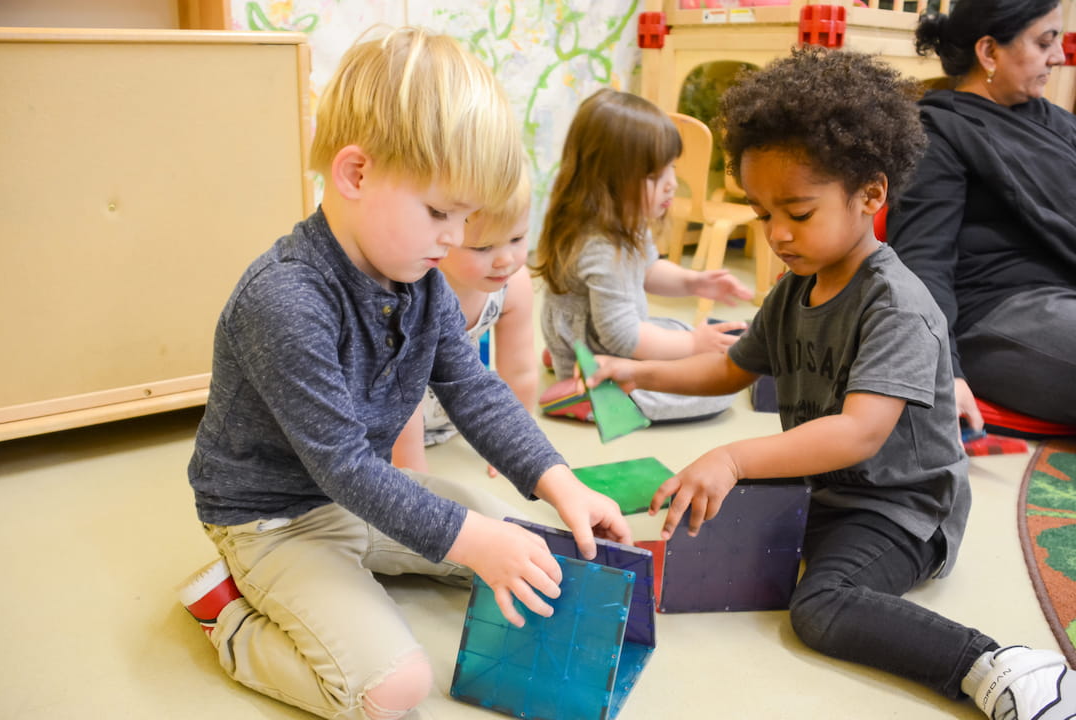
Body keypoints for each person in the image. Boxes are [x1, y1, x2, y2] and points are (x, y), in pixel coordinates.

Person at [588, 47, 1075, 720]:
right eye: (763, 215)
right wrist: (640, 371)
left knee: (819, 608)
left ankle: (997, 665)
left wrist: (732, 456)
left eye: (798, 211)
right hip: (825, 491)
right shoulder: (797, 289)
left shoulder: (896, 303)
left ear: (871, 195)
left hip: (901, 512)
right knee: (687, 506)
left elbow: (858, 431)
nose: (777, 234)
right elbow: (731, 369)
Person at [176, 28, 631, 720]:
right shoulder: (285, 300)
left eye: (468, 216)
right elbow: (344, 468)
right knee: (395, 692)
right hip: (276, 522)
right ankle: (231, 620)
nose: (456, 238)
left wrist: (557, 479)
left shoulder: (418, 276)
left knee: (522, 541)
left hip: (362, 498)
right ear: (356, 175)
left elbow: (474, 390)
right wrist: (474, 542)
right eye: (439, 213)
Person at [887, 0, 1076, 428]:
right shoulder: (939, 134)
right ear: (989, 52)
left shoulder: (1058, 124)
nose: (1059, 57)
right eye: (1045, 42)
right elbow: (920, 263)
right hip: (997, 313)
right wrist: (943, 371)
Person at [531, 88, 754, 423]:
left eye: (670, 169)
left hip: (601, 332)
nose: (671, 185)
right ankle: (587, 391)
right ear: (605, 181)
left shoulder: (623, 218)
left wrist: (694, 282)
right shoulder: (602, 247)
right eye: (654, 176)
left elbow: (648, 269)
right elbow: (623, 337)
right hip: (607, 346)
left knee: (677, 328)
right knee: (717, 390)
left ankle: (568, 356)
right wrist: (693, 346)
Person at [392, 165, 537, 477]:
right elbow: (402, 392)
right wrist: (412, 472)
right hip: (391, 424)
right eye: (483, 247)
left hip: (454, 414)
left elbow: (520, 370)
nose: (505, 260)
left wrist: (516, 445)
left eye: (517, 238)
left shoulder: (515, 285)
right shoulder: (414, 290)